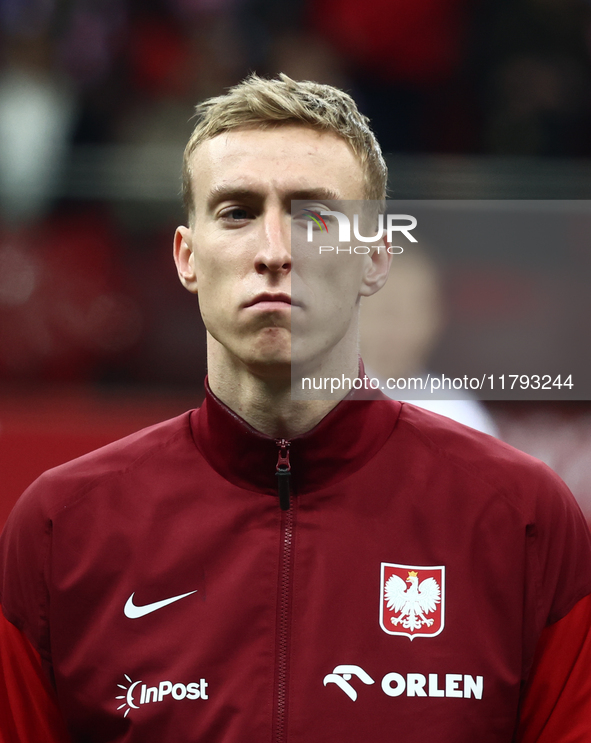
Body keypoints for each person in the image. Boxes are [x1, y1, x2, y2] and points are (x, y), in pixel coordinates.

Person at [1, 74, 591, 743]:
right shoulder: (60, 530)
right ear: (186, 257)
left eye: (315, 215)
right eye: (237, 212)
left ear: (375, 258)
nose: (276, 252)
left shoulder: (522, 519)